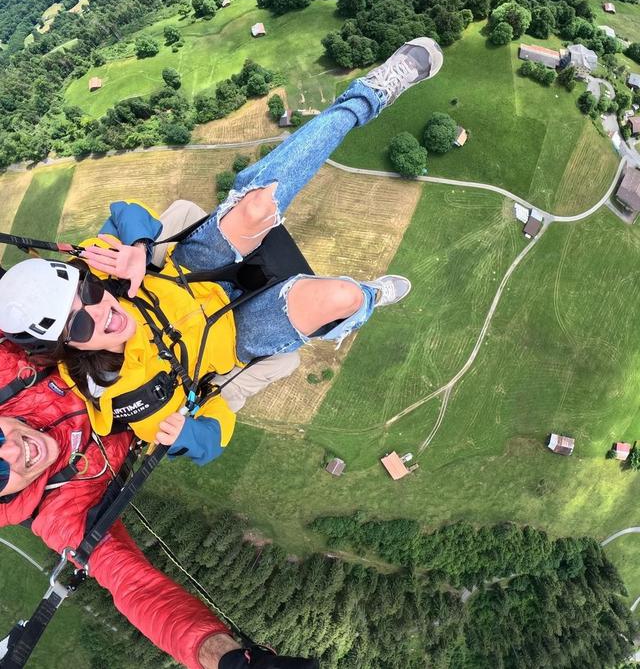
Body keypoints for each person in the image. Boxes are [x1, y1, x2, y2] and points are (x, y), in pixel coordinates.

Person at [0, 38, 443, 462]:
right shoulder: (127, 399)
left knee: (258, 205)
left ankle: (371, 92)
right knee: (340, 299)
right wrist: (192, 436)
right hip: (235, 338)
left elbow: (123, 213)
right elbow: (212, 433)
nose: (99, 310)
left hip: (190, 272)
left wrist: (138, 244)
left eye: (91, 295)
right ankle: (371, 298)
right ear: (66, 347)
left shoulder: (97, 273)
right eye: (79, 323)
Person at [0, 339, 317, 668]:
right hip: (182, 411)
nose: (11, 452)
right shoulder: (61, 514)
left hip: (149, 343)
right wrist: (224, 657)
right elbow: (134, 586)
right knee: (284, 358)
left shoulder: (8, 379)